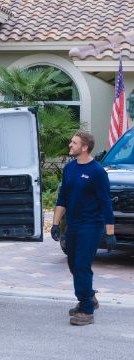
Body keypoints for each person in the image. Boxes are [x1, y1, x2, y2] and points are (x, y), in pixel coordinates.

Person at [51, 131, 115, 326]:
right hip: (74, 225)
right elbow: (62, 198)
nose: (70, 145)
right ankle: (89, 296)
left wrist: (110, 233)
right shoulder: (69, 169)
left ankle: (86, 308)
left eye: (74, 142)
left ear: (84, 147)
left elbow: (106, 203)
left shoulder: (97, 172)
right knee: (72, 264)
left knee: (81, 266)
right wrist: (55, 224)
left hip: (91, 225)